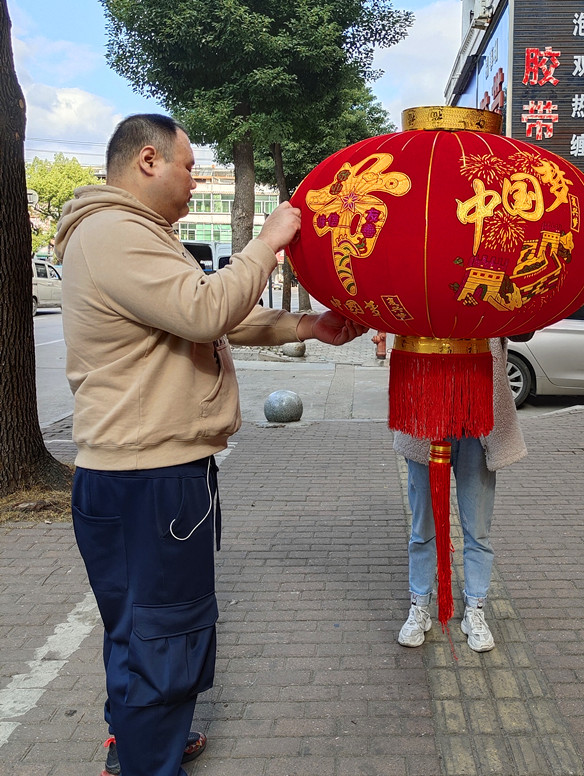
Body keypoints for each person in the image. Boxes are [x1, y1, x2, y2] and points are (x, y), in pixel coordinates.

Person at [53, 114, 367, 776]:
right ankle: (149, 759)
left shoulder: (126, 234)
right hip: (154, 477)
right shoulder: (117, 234)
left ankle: (135, 741)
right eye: (189, 166)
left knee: (135, 626)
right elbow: (204, 312)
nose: (194, 179)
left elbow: (201, 310)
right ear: (147, 161)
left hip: (126, 473)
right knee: (167, 633)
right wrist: (270, 242)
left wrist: (304, 323)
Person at [393, 335, 531, 652]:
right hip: (426, 415)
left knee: (477, 530)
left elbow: (522, 328)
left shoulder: (486, 285)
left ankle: (475, 610)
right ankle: (420, 607)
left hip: (477, 419)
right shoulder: (420, 288)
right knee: (423, 527)